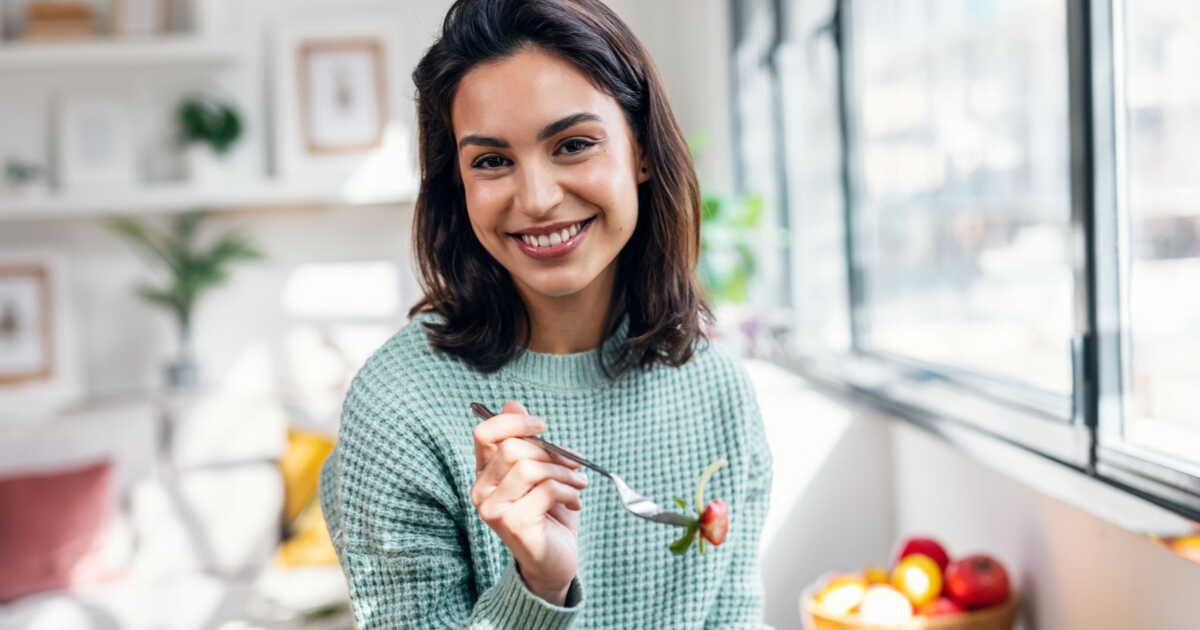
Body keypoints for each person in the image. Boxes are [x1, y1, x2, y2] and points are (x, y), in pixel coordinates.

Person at [319, 0, 773, 627]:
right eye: (491, 161)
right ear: (458, 183)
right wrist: (539, 584)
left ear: (641, 149)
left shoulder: (718, 390)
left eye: (574, 145)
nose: (536, 199)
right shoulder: (399, 407)